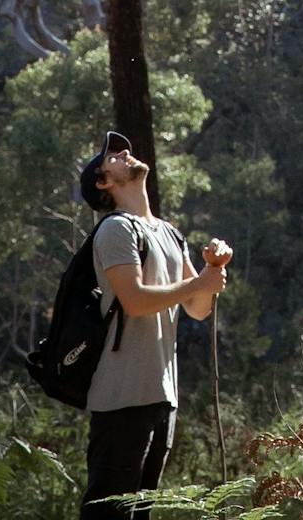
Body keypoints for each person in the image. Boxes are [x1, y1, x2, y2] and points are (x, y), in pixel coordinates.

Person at [76, 131, 232, 519]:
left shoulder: (167, 232)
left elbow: (197, 308)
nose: (124, 153)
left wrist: (212, 270)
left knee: (139, 513)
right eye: (112, 157)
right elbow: (136, 300)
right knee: (109, 513)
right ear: (103, 182)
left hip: (161, 397)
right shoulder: (115, 229)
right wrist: (199, 282)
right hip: (121, 398)